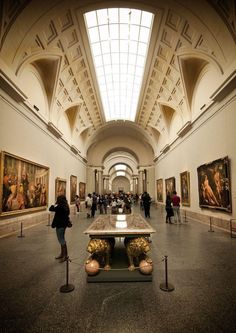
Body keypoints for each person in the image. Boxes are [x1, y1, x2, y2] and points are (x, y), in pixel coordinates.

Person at [49, 195, 70, 262]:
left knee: (61, 240)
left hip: (60, 225)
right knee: (61, 240)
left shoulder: (60, 207)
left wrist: (53, 204)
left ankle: (65, 256)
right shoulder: (66, 206)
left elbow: (51, 209)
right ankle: (62, 254)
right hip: (63, 225)